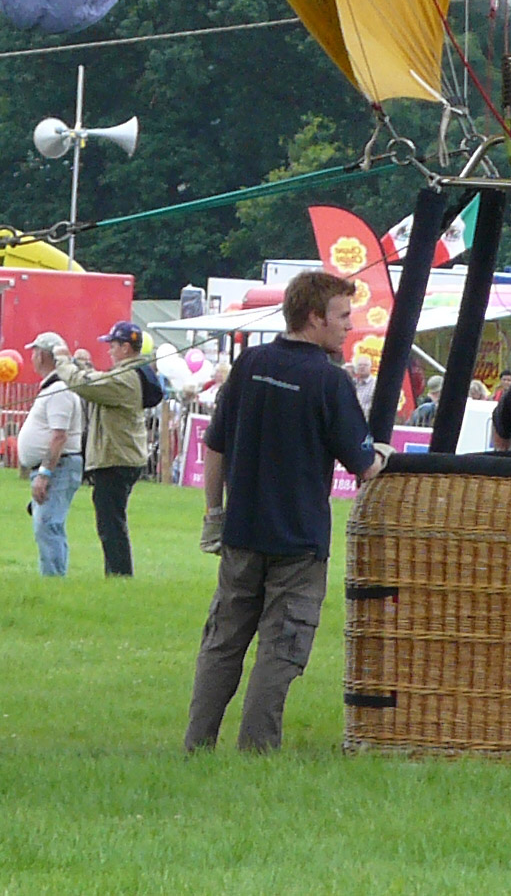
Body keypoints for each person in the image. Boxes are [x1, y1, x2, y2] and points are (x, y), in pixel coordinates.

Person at [187, 268, 385, 751]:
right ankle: (256, 751)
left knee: (222, 643)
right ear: (314, 318)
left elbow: (215, 447)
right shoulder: (329, 381)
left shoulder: (249, 363)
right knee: (282, 649)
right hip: (298, 543)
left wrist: (214, 512)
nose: (349, 325)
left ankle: (197, 745)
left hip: (241, 533)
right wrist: (382, 454)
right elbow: (363, 464)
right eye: (342, 315)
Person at [63, 320, 164, 578]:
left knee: (111, 525)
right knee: (111, 522)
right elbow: (97, 379)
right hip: (121, 458)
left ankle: (119, 575)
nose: (109, 350)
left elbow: (87, 386)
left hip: (116, 459)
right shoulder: (130, 374)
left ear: (126, 348)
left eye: (113, 345)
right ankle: (117, 575)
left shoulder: (126, 378)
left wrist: (63, 364)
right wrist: (82, 367)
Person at [19, 332, 87, 576]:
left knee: (48, 525)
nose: (32, 357)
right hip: (55, 467)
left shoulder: (59, 389)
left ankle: (53, 578)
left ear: (43, 355)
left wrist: (45, 473)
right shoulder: (53, 387)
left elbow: (59, 435)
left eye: (35, 352)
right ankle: (52, 575)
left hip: (59, 467)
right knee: (46, 524)